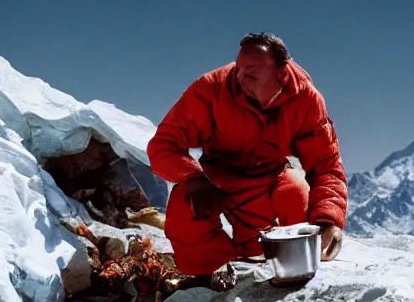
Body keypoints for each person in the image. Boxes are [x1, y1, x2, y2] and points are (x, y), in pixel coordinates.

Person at [147, 32, 348, 287]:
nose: (239, 76)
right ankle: (205, 279)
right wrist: (194, 178)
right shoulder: (211, 87)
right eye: (239, 67)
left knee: (296, 191)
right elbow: (162, 145)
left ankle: (289, 272)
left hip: (270, 178)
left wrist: (329, 220)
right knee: (183, 203)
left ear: (280, 74)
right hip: (216, 179)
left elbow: (326, 164)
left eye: (250, 72)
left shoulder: (306, 100)